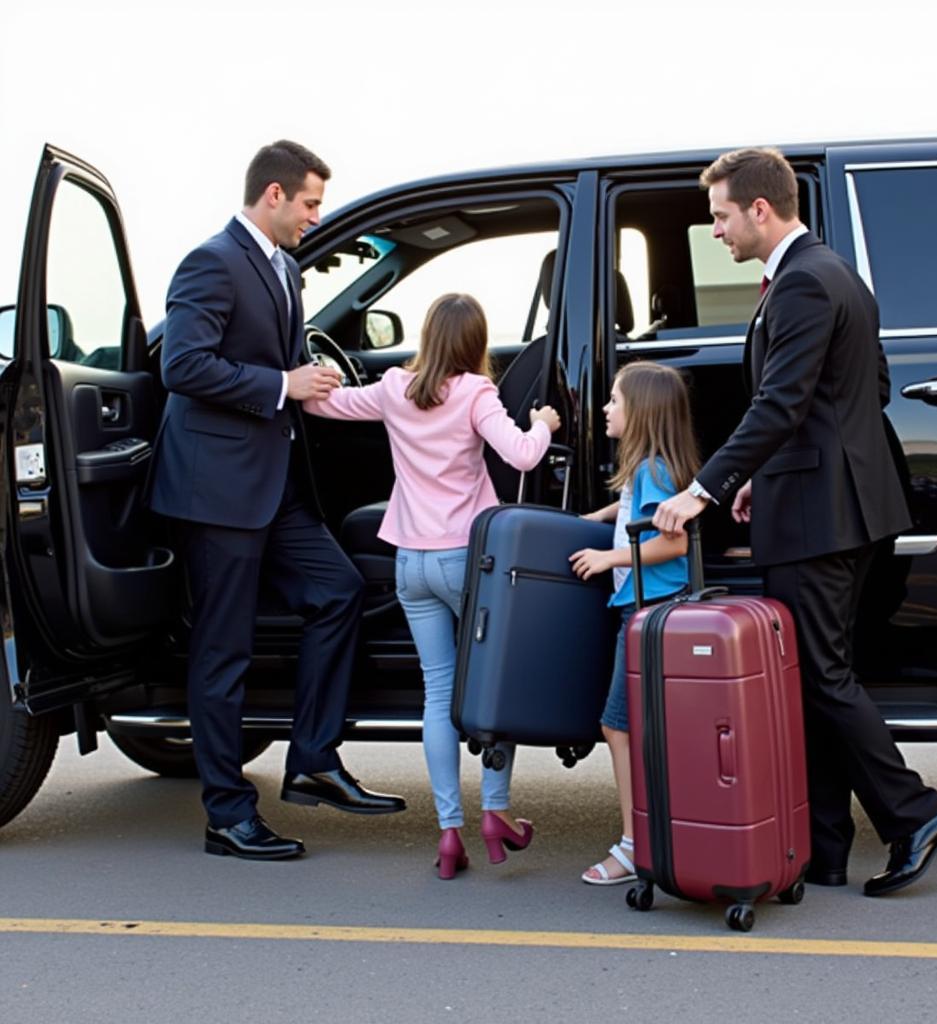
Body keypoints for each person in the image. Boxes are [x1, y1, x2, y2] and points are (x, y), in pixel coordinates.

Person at [651, 147, 937, 897]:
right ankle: (824, 847)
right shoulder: (834, 275)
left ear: (760, 209)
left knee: (820, 677)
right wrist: (765, 473)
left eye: (721, 217)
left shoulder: (800, 285)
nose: (717, 232)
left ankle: (914, 813)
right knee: (818, 676)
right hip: (841, 507)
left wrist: (707, 488)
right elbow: (867, 388)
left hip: (821, 516)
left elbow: (781, 404)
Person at [148, 140, 405, 861]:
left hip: (276, 484)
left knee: (338, 592)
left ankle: (314, 760)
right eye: (310, 204)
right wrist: (280, 387)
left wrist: (307, 374)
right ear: (273, 196)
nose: (314, 217)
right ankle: (227, 815)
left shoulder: (283, 268)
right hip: (217, 490)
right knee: (223, 650)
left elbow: (269, 358)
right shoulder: (211, 261)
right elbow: (183, 365)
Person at [304, 292, 561, 879]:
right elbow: (521, 456)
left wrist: (308, 378)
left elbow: (327, 407)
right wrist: (542, 424)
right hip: (462, 564)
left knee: (437, 695)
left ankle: (449, 832)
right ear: (474, 344)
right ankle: (496, 811)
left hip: (409, 564)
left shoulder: (395, 387)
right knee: (494, 685)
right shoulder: (476, 393)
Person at [569, 361, 698, 886]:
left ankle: (632, 844)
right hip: (653, 611)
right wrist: (603, 518)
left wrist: (610, 558)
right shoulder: (653, 468)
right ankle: (650, 834)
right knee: (634, 728)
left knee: (617, 725)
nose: (606, 408)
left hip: (647, 613)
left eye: (615, 400)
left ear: (639, 411)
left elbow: (673, 541)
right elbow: (639, 511)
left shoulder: (653, 470)